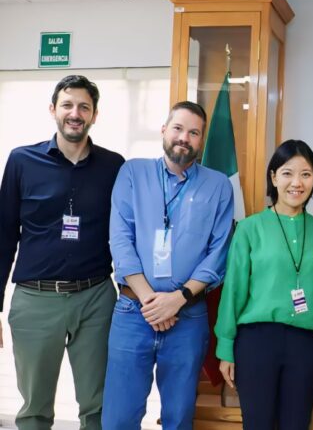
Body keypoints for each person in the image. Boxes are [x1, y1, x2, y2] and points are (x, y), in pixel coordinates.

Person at [0, 75, 123, 430]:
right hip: (35, 299)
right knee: (35, 410)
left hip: (95, 298)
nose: (75, 113)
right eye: (67, 105)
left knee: (98, 407)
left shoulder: (114, 166)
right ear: (53, 109)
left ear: (95, 115)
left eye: (84, 107)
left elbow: (126, 232)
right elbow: (4, 235)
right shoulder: (22, 161)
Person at [102, 101, 234, 430]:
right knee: (119, 419)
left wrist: (177, 299)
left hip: (187, 317)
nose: (184, 138)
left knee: (178, 418)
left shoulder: (219, 185)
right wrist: (152, 302)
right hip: (134, 312)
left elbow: (218, 253)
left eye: (194, 132)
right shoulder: (132, 173)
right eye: (178, 128)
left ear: (202, 140)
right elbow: (120, 240)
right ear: (164, 130)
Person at [215, 140, 313, 429]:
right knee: (258, 423)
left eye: (306, 174)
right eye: (288, 173)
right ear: (274, 177)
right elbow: (233, 291)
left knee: (297, 424)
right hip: (257, 341)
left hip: (307, 344)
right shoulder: (249, 228)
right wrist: (226, 347)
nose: (297, 183)